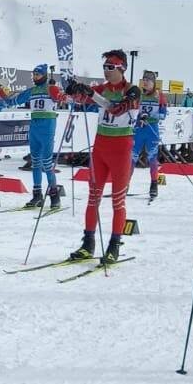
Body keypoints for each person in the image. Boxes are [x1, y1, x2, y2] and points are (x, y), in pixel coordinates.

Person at [64, 50, 141, 264]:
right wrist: (74, 90)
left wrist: (90, 94)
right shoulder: (102, 88)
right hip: (100, 148)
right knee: (93, 198)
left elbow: (116, 109)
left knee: (117, 201)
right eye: (104, 67)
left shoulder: (132, 90)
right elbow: (79, 99)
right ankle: (88, 244)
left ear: (122, 68)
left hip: (121, 150)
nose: (106, 71)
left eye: (110, 67)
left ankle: (114, 246)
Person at [0, 64, 66, 209]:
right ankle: (37, 196)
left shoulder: (50, 88)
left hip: (47, 128)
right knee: (36, 162)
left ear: (44, 75)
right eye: (34, 74)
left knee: (47, 163)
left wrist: (63, 93)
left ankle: (54, 196)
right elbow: (11, 101)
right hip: (35, 128)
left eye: (38, 74)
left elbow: (63, 98)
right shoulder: (32, 91)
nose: (35, 77)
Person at [131, 70, 167, 200]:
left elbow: (163, 115)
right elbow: (133, 110)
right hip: (139, 129)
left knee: (152, 158)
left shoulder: (160, 95)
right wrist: (140, 116)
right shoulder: (138, 95)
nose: (145, 82)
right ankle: (124, 184)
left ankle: (154, 184)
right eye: (144, 80)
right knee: (132, 157)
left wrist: (150, 116)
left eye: (148, 80)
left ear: (153, 82)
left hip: (152, 130)